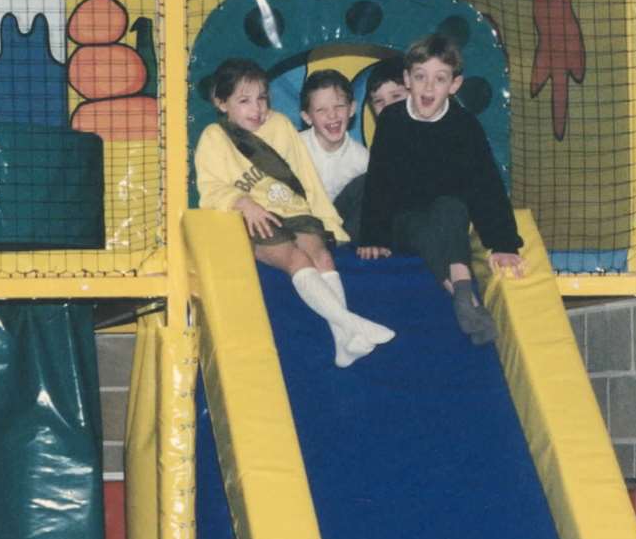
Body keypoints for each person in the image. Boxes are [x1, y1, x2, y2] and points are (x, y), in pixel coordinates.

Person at [195, 58, 394, 369]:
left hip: (294, 211)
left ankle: (343, 343)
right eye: (244, 101)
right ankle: (351, 323)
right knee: (297, 259)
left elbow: (307, 181)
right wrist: (243, 203)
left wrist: (328, 222)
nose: (256, 108)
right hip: (254, 218)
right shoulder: (213, 138)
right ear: (222, 103)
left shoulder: (281, 125)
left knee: (323, 257)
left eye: (262, 98)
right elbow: (209, 188)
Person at [358, 35, 525, 345]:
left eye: (440, 78)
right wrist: (374, 236)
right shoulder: (393, 121)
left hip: (447, 214)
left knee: (451, 208)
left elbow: (485, 185)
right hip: (405, 218)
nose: (429, 87)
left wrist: (503, 243)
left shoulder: (464, 126)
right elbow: (379, 181)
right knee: (423, 228)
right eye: (420, 77)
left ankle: (461, 296)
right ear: (407, 80)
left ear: (455, 85)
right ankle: (464, 291)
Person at [298, 69, 368, 235]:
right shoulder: (295, 146)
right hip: (301, 221)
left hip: (340, 222)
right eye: (321, 110)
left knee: (367, 184)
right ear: (307, 117)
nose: (332, 115)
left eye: (339, 106)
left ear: (352, 109)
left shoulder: (362, 158)